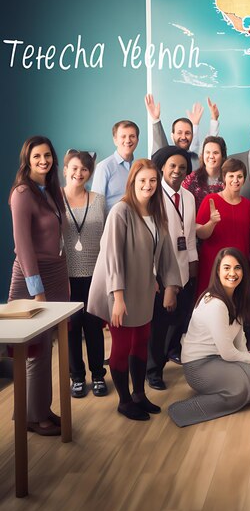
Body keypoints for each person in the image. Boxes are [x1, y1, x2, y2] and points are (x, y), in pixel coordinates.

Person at [88, 159, 182, 421]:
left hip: (143, 289)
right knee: (121, 345)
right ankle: (125, 400)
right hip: (118, 290)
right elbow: (113, 258)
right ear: (132, 182)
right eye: (142, 180)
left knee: (141, 341)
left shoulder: (157, 212)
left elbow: (165, 254)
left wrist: (170, 285)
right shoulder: (121, 211)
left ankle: (139, 395)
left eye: (153, 180)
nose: (148, 185)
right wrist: (117, 299)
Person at [168, 248, 250, 427]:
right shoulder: (215, 303)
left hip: (220, 360)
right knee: (241, 390)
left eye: (237, 268)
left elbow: (240, 338)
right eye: (227, 268)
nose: (232, 273)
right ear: (217, 271)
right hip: (198, 366)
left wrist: (245, 357)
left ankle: (229, 388)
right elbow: (228, 352)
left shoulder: (237, 298)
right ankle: (182, 410)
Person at [8, 136, 69, 436]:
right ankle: (31, 417)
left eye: (47, 156)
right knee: (33, 351)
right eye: (37, 157)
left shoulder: (51, 190)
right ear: (27, 160)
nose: (43, 161)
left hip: (55, 274)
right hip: (33, 279)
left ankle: (40, 409)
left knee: (46, 349)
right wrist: (37, 291)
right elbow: (23, 246)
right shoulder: (22, 193)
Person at [146, 146, 198, 390]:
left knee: (178, 320)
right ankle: (153, 371)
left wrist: (193, 264)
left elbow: (188, 237)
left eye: (183, 168)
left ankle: (165, 358)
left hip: (184, 270)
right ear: (163, 168)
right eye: (173, 166)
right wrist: (160, 279)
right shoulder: (153, 196)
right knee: (158, 326)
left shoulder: (188, 197)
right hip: (161, 273)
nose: (177, 171)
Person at [61, 150, 107, 398]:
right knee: (71, 329)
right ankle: (76, 377)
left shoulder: (98, 200)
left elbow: (107, 237)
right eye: (75, 168)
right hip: (64, 275)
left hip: (95, 273)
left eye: (85, 170)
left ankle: (98, 375)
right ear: (66, 169)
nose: (79, 174)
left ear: (90, 173)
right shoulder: (55, 198)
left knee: (94, 327)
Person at [195, 157, 250, 299]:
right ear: (224, 178)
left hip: (238, 267)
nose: (235, 180)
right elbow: (199, 233)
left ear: (244, 179)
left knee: (237, 304)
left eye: (239, 176)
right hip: (213, 265)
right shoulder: (212, 200)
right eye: (231, 176)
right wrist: (211, 222)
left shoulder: (248, 206)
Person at [145, 93, 220, 170]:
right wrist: (155, 120)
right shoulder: (165, 157)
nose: (183, 137)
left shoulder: (195, 158)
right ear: (172, 135)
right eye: (179, 133)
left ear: (192, 136)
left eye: (187, 133)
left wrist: (214, 119)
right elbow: (160, 148)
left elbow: (208, 145)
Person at [91, 120, 139, 213]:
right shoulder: (104, 167)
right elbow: (95, 207)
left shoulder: (137, 167)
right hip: (111, 225)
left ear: (137, 140)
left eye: (132, 136)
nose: (128, 140)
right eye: (123, 136)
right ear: (115, 140)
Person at [182, 135, 227, 212]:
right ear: (202, 155)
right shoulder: (191, 179)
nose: (211, 156)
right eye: (207, 152)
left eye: (215, 153)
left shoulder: (229, 180)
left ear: (223, 156)